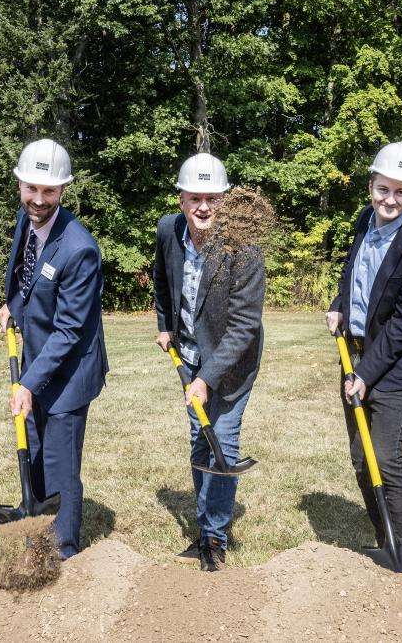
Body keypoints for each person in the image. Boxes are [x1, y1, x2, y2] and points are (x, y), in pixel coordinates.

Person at [325, 141, 402, 551]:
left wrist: (365, 374)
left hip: (393, 364)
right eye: (383, 188)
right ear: (370, 184)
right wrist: (340, 305)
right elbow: (352, 270)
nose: (389, 199)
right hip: (353, 352)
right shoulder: (364, 220)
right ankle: (383, 539)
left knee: (386, 458)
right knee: (361, 457)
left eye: (401, 191)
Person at [153, 153, 265, 572]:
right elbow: (163, 279)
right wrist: (165, 325)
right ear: (181, 198)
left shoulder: (245, 248)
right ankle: (205, 529)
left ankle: (214, 538)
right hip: (190, 355)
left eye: (212, 199)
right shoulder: (169, 230)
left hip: (233, 362)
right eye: (194, 197)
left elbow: (244, 325)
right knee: (200, 441)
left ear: (225, 200)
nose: (203, 207)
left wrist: (207, 379)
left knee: (222, 441)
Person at [0, 138, 108, 559]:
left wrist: (27, 383)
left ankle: (64, 553)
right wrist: (14, 304)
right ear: (21, 185)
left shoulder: (80, 250)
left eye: (49, 191)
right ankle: (37, 535)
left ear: (63, 191)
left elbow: (70, 331)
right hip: (38, 362)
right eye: (32, 189)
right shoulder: (27, 221)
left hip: (69, 373)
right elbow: (27, 275)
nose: (39, 200)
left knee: (60, 466)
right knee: (35, 452)